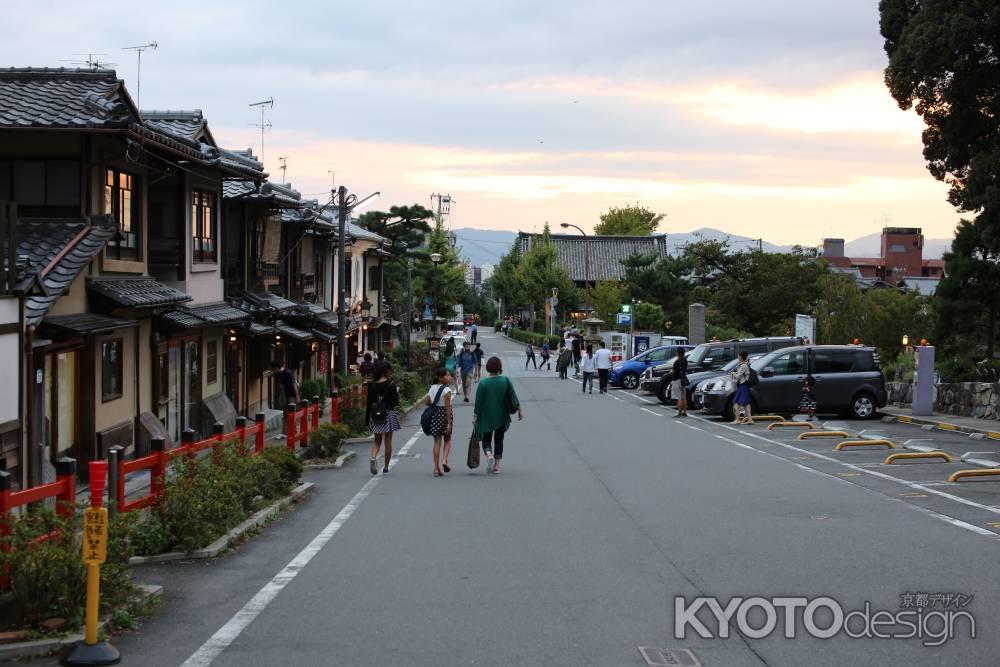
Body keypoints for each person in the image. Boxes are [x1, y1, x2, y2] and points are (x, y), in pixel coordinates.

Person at [474, 356, 524, 475]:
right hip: (502, 416)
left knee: (486, 438)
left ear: (488, 368)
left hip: (486, 416)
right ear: (499, 367)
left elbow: (478, 402)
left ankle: (488, 454)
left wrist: (475, 416)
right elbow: (513, 396)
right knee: (499, 440)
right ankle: (497, 466)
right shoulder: (505, 380)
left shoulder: (483, 383)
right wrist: (519, 410)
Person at [366, 361, 401, 475]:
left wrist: (367, 419)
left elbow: (368, 403)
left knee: (377, 440)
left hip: (375, 415)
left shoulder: (372, 385)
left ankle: (373, 457)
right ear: (386, 371)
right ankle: (386, 467)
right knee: (388, 442)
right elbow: (395, 402)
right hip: (388, 414)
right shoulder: (391, 384)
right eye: (390, 370)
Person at [425, 367, 454, 477]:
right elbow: (447, 407)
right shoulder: (447, 390)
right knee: (447, 439)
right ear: (441, 378)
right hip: (444, 415)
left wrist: (433, 406)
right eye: (447, 375)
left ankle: (436, 469)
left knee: (437, 442)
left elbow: (427, 401)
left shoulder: (432, 388)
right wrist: (449, 423)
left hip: (435, 414)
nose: (449, 377)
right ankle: (444, 460)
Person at [731, 351, 754, 425]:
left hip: (742, 386)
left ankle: (737, 419)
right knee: (746, 404)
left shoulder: (743, 366)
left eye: (738, 356)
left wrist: (733, 373)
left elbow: (738, 376)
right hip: (744, 386)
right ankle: (750, 419)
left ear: (741, 357)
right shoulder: (744, 365)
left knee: (736, 403)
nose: (738, 357)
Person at [670, 347, 689, 417]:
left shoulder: (677, 362)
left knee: (679, 398)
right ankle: (685, 412)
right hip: (683, 380)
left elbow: (673, 371)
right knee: (684, 397)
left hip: (677, 379)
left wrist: (671, 371)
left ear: (678, 353)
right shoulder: (685, 361)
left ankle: (679, 412)